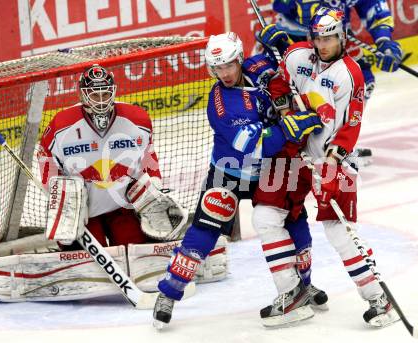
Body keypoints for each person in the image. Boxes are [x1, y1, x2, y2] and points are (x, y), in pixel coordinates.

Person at [152, 32, 326, 329]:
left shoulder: (260, 66)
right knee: (205, 230)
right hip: (231, 172)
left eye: (229, 65)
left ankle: (304, 286)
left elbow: (302, 62)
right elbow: (257, 144)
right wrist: (291, 126)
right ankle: (170, 291)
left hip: (272, 170)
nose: (225, 73)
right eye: (217, 68)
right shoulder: (221, 104)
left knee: (295, 221)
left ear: (239, 59)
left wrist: (286, 43)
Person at [252, 7, 399, 328]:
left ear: (341, 37)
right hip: (294, 155)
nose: (323, 44)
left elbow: (352, 124)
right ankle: (291, 293)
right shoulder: (295, 56)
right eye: (318, 38)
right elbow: (279, 83)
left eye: (329, 38)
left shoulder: (350, 73)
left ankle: (379, 299)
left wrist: (332, 162)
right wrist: (282, 104)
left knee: (339, 231)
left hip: (331, 160)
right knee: (264, 216)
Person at [38, 64, 178, 248]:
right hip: (83, 210)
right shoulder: (62, 126)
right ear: (82, 94)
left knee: (134, 250)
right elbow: (45, 158)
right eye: (95, 95)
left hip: (121, 207)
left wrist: (155, 185)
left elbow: (149, 161)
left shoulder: (138, 121)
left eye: (105, 94)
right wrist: (62, 199)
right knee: (86, 263)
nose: (101, 101)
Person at [270, 0, 403, 101]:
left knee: (362, 82)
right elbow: (278, 5)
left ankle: (336, 135)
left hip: (336, 35)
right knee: (287, 88)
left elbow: (373, 5)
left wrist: (384, 40)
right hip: (293, 37)